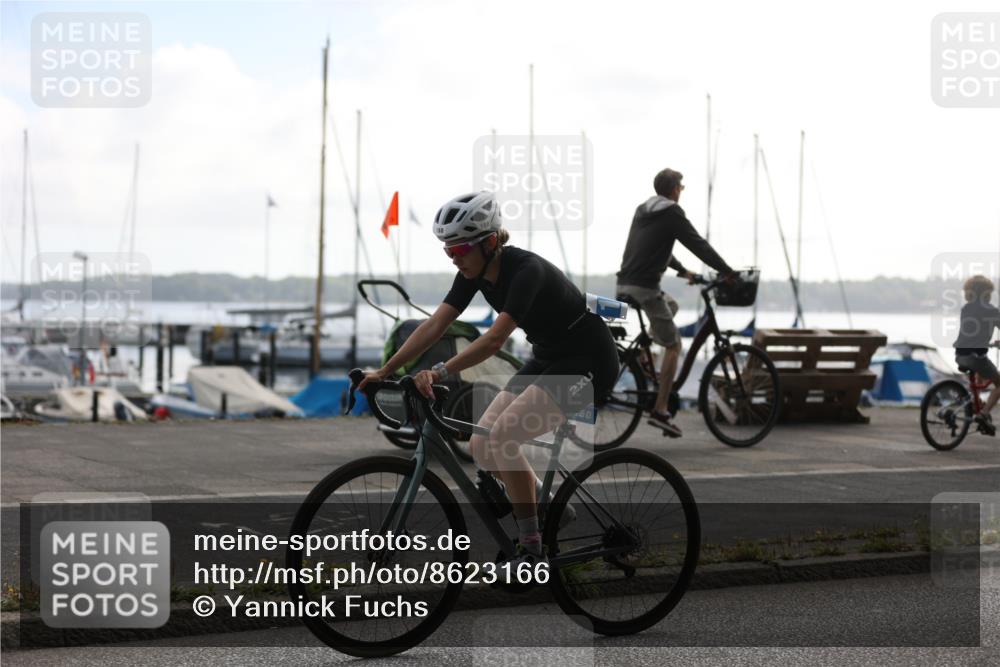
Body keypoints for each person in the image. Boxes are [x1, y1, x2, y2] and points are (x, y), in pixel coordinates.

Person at [360, 191, 619, 562]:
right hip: (548, 357)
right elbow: (435, 325)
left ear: (491, 241)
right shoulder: (473, 273)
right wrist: (385, 370)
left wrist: (439, 371)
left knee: (506, 434)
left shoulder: (526, 271)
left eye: (461, 249)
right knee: (482, 443)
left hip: (588, 360)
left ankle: (530, 546)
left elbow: (495, 339)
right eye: (448, 250)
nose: (454, 257)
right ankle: (547, 510)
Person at [616, 167, 735, 437]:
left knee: (671, 306)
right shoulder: (672, 212)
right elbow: (697, 244)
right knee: (674, 344)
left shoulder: (642, 210)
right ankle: (660, 409)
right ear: (673, 189)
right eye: (681, 187)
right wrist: (727, 271)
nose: (681, 192)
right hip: (645, 288)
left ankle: (645, 358)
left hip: (624, 283)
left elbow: (655, 249)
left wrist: (684, 272)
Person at [954, 274, 1000, 432]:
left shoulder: (965, 309)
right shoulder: (992, 311)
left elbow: (972, 334)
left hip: (960, 355)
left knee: (979, 376)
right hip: (976, 357)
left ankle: (975, 403)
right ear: (987, 293)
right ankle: (984, 414)